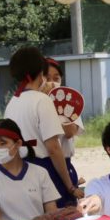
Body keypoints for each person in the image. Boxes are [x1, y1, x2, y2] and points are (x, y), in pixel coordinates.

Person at [5, 47, 82, 206]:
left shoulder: (12, 103)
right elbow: (53, 148)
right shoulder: (42, 101)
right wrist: (70, 186)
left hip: (21, 170)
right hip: (47, 170)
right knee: (58, 218)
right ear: (41, 72)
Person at [42, 58, 86, 189]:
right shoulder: (35, 103)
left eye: (56, 78)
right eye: (47, 78)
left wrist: (58, 104)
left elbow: (69, 132)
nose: (52, 82)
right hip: (42, 164)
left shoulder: (70, 101)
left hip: (65, 164)